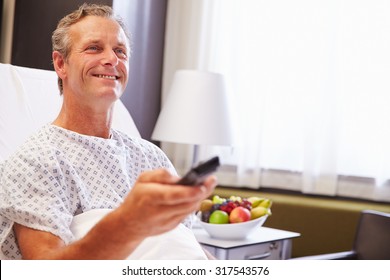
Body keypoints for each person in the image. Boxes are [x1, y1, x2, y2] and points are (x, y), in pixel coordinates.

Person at [0, 4, 216, 260]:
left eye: (120, 51)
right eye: (94, 48)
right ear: (61, 64)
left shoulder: (152, 158)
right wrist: (128, 223)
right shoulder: (36, 162)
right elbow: (46, 270)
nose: (111, 59)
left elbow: (182, 245)